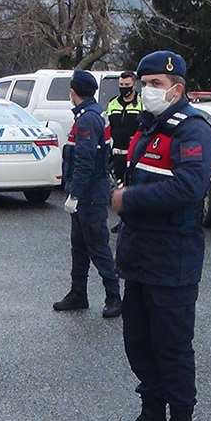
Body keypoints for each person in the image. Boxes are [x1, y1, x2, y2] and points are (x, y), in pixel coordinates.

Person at [105, 50, 211, 421]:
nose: (147, 89)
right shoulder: (149, 128)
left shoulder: (193, 131)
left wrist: (127, 198)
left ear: (177, 88)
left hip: (174, 260)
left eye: (155, 83)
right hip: (139, 257)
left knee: (172, 348)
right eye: (144, 81)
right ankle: (151, 417)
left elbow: (189, 188)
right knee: (139, 343)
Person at [53, 69, 121, 318]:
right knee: (79, 247)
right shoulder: (92, 114)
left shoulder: (87, 119)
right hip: (89, 192)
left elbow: (85, 161)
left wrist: (76, 195)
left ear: (73, 92)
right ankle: (78, 293)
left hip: (89, 194)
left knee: (97, 246)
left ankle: (114, 297)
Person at [107, 70, 141, 184]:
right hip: (116, 153)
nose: (124, 88)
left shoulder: (142, 103)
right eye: (121, 85)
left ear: (134, 85)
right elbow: (107, 126)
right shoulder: (112, 103)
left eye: (127, 85)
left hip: (134, 154)